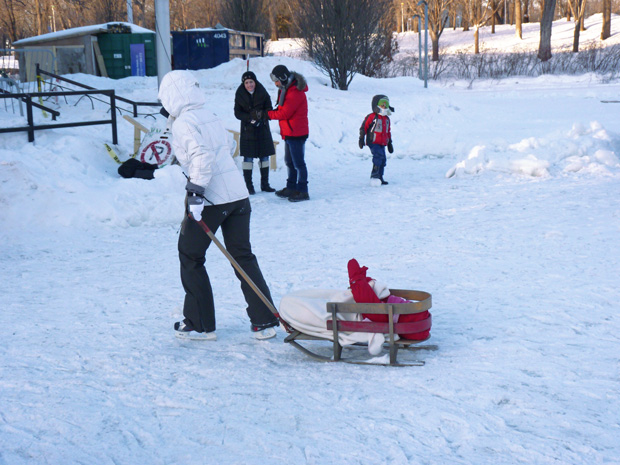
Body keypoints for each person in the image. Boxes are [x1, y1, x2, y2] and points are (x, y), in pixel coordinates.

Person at [157, 70, 279, 341]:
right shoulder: (209, 115)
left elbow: (202, 157)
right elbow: (225, 148)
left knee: (190, 255)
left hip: (212, 199)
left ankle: (200, 324)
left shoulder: (184, 124)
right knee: (242, 256)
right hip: (238, 195)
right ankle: (264, 320)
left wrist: (196, 195)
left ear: (172, 96)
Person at [267, 64, 310, 202]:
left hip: (296, 133)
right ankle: (291, 187)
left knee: (298, 163)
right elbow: (280, 108)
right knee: (289, 161)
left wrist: (266, 115)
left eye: (276, 80)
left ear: (284, 78)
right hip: (289, 132)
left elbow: (285, 112)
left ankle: (303, 190)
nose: (275, 83)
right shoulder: (285, 89)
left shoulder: (295, 92)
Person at [234, 71, 276, 195]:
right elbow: (237, 113)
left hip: (263, 128)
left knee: (264, 157)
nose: (249, 85)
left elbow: (269, 108)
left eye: (251, 82)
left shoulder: (262, 92)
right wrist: (250, 118)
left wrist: (261, 115)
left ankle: (265, 184)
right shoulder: (240, 93)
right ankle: (249, 186)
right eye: (246, 82)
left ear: (255, 82)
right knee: (248, 158)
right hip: (248, 131)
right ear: (244, 83)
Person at [359, 94, 395, 186]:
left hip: (382, 143)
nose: (384, 107)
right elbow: (364, 127)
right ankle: (374, 176)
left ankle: (380, 177)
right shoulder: (372, 117)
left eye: (385, 105)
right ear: (376, 105)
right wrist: (361, 138)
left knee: (383, 159)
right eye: (382, 105)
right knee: (378, 156)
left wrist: (389, 143)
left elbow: (388, 131)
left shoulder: (387, 119)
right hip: (373, 142)